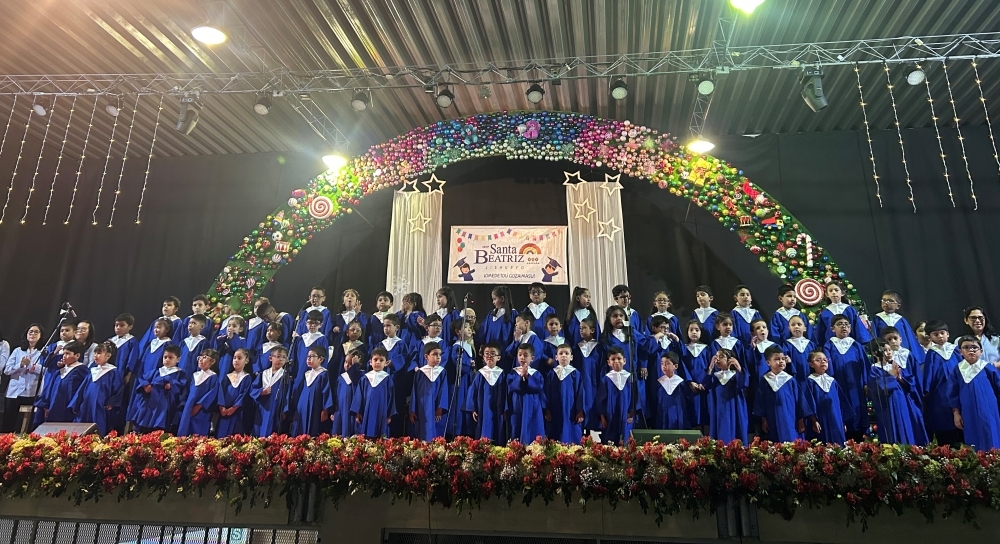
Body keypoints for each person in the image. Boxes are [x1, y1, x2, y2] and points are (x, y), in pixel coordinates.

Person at [867, 340, 928, 446]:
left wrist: (900, 378)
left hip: (904, 403)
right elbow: (877, 389)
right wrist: (891, 376)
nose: (889, 352)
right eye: (885, 350)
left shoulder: (896, 365)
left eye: (890, 350)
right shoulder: (874, 369)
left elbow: (910, 384)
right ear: (874, 353)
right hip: (889, 406)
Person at [947, 336, 1000, 452]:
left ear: (981, 351)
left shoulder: (988, 368)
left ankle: (994, 464)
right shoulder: (957, 370)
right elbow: (953, 394)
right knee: (972, 437)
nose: (971, 350)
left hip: (989, 410)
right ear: (960, 351)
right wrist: (956, 413)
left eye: (974, 347)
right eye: (966, 347)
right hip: (968, 412)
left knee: (991, 435)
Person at [822, 314, 869, 441]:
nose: (844, 326)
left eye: (846, 324)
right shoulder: (829, 346)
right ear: (833, 329)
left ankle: (860, 438)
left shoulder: (856, 345)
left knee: (858, 408)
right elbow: (827, 367)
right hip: (839, 384)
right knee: (842, 408)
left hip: (856, 384)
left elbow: (864, 365)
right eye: (840, 324)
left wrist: (865, 383)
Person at [752, 346, 807, 442]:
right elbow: (760, 402)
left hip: (790, 417)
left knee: (791, 439)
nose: (781, 361)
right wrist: (763, 419)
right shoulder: (765, 381)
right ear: (768, 362)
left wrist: (801, 420)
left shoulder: (790, 380)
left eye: (783, 359)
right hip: (771, 417)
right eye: (777, 359)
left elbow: (799, 401)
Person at [125, 318, 173, 425]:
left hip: (154, 381)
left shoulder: (168, 345)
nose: (156, 330)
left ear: (167, 329)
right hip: (143, 379)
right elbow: (142, 361)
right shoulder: (151, 343)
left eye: (159, 327)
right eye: (155, 327)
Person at [922, 320, 962, 446]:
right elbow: (929, 376)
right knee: (944, 423)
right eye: (936, 334)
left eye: (942, 333)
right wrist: (926, 391)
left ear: (948, 334)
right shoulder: (932, 353)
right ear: (930, 337)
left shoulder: (955, 350)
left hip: (959, 389)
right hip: (940, 394)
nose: (940, 336)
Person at [69, 341, 123, 436]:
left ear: (108, 356)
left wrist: (111, 402)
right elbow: (82, 389)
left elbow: (118, 389)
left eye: (99, 353)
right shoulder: (92, 371)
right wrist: (76, 403)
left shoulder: (113, 372)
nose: (95, 356)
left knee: (97, 428)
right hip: (86, 405)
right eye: (95, 353)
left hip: (100, 406)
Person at [800, 350, 852, 445]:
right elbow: (808, 403)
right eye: (818, 360)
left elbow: (841, 402)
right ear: (811, 364)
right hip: (820, 419)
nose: (823, 362)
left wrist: (843, 421)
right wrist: (813, 420)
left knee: (839, 444)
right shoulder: (810, 382)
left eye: (825, 360)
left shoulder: (832, 381)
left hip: (836, 419)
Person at [133, 345, 188, 433]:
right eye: (165, 357)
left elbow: (181, 387)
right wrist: (145, 385)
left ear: (178, 359)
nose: (167, 360)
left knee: (159, 427)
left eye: (171, 357)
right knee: (143, 425)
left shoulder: (180, 374)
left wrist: (172, 385)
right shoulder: (156, 371)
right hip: (150, 403)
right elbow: (143, 378)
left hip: (165, 403)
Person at [3, 324, 44, 433]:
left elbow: (44, 370)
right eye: (30, 332)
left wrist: (30, 365)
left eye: (36, 332)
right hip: (14, 391)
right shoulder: (18, 351)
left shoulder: (43, 352)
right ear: (26, 335)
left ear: (40, 335)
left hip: (31, 391)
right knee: (8, 421)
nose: (33, 334)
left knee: (27, 423)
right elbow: (7, 370)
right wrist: (20, 365)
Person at [701, 348, 748, 443]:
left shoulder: (735, 375)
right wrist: (710, 367)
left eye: (721, 357)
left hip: (734, 408)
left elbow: (744, 384)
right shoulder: (715, 376)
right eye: (716, 357)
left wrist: (739, 367)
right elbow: (704, 384)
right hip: (718, 409)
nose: (717, 359)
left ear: (730, 360)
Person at [35, 340, 89, 424]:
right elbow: (49, 389)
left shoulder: (82, 371)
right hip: (54, 406)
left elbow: (82, 391)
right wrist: (46, 405)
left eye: (67, 354)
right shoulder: (59, 371)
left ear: (77, 355)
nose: (64, 356)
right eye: (63, 354)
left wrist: (75, 405)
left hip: (69, 408)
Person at [380, 313, 414, 437]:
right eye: (384, 326)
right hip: (382, 381)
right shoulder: (381, 344)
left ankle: (395, 437)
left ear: (397, 328)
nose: (386, 328)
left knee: (396, 408)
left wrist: (393, 363)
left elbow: (404, 359)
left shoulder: (401, 344)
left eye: (389, 325)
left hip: (396, 382)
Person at [290, 346, 335, 437]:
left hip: (315, 406)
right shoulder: (307, 374)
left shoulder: (323, 374)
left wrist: (325, 409)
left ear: (321, 359)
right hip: (302, 406)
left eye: (312, 356)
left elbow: (326, 392)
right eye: (307, 357)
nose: (308, 359)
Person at [466, 342, 506, 442]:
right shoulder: (480, 374)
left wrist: (506, 409)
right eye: (486, 354)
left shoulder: (501, 374)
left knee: (498, 428)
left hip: (498, 407)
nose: (489, 356)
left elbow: (506, 393)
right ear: (483, 357)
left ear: (498, 358)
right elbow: (473, 391)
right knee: (484, 426)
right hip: (483, 406)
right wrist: (473, 408)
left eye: (493, 353)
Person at [351, 347, 395, 439]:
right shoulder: (365, 378)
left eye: (381, 360)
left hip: (382, 412)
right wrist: (358, 412)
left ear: (386, 363)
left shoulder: (387, 379)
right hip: (366, 411)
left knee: (381, 436)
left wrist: (389, 414)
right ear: (370, 362)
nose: (378, 362)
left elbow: (391, 397)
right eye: (375, 360)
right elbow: (359, 396)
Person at [651, 352, 702, 430]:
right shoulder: (659, 383)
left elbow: (688, 402)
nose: (664, 366)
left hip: (679, 415)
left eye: (667, 363)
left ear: (676, 366)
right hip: (662, 415)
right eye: (662, 363)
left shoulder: (681, 383)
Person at [506, 343, 546, 444]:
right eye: (520, 355)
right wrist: (521, 378)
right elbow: (512, 386)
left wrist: (528, 377)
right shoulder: (513, 372)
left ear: (532, 358)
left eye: (525, 355)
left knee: (534, 428)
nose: (522, 357)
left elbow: (539, 387)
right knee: (516, 428)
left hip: (533, 405)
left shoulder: (536, 373)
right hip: (517, 405)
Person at [544, 344, 584, 443]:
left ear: (571, 357)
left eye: (567, 353)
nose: (564, 356)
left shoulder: (575, 373)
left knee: (571, 434)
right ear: (556, 357)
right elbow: (546, 394)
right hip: (555, 409)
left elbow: (580, 393)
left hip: (571, 410)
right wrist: (547, 410)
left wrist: (580, 410)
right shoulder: (551, 374)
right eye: (561, 353)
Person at [409, 342, 449, 440]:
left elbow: (444, 391)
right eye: (435, 354)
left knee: (436, 431)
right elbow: (414, 392)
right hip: (422, 407)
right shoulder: (420, 372)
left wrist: (440, 408)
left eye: (440, 354)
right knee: (422, 430)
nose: (438, 357)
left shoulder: (442, 372)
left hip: (436, 408)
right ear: (426, 356)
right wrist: (412, 410)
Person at [595, 347, 635, 445]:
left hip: (626, 414)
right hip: (610, 415)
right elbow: (601, 400)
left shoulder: (630, 378)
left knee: (625, 437)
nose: (616, 361)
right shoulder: (606, 379)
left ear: (624, 361)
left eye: (619, 359)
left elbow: (635, 397)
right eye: (613, 359)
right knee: (610, 438)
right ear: (608, 362)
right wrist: (602, 416)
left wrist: (631, 412)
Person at [250, 346, 292, 437]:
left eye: (284, 357)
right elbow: (253, 389)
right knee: (258, 430)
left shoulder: (285, 376)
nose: (281, 359)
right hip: (262, 406)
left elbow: (287, 394)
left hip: (276, 408)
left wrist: (284, 410)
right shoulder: (263, 374)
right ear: (270, 358)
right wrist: (261, 392)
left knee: (272, 430)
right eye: (278, 356)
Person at [177, 350, 219, 437]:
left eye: (204, 357)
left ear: (213, 361)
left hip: (201, 411)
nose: (200, 359)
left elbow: (211, 394)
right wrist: (184, 403)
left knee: (197, 433)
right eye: (200, 357)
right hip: (188, 408)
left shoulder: (213, 377)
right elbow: (187, 391)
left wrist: (199, 406)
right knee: (184, 431)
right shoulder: (195, 375)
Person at [445, 320, 475, 437]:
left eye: (469, 327)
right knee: (458, 407)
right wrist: (469, 364)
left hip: (467, 380)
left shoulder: (468, 346)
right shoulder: (457, 347)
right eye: (465, 327)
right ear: (458, 331)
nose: (469, 329)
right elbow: (458, 364)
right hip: (459, 382)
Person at [872, 291, 922, 361]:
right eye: (884, 300)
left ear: (898, 306)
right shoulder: (877, 319)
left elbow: (909, 337)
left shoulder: (901, 320)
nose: (886, 302)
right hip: (885, 353)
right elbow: (874, 335)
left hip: (901, 353)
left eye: (890, 301)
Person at [680, 320, 711, 433]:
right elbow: (683, 366)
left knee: (705, 412)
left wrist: (705, 383)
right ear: (687, 332)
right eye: (691, 330)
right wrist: (690, 382)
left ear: (701, 332)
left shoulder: (707, 348)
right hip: (691, 386)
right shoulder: (684, 348)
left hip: (704, 386)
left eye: (697, 330)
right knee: (692, 411)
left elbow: (710, 367)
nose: (694, 332)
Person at [572, 318, 601, 432]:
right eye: (580, 328)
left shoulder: (599, 347)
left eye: (584, 328)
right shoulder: (576, 348)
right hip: (581, 382)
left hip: (595, 383)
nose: (581, 330)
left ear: (592, 330)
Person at [216, 347, 252, 438]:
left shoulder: (246, 377)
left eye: (239, 358)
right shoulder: (227, 376)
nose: (236, 360)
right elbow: (221, 393)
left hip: (237, 413)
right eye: (234, 358)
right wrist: (222, 407)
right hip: (224, 412)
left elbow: (243, 395)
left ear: (246, 360)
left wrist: (233, 408)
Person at [478, 286, 518, 366]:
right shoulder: (491, 314)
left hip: (504, 351)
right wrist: (482, 346)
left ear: (502, 299)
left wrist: (511, 350)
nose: (493, 302)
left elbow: (515, 335)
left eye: (495, 299)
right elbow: (483, 331)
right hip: (490, 353)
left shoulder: (513, 314)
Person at [333, 347, 364, 437]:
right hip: (341, 409)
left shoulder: (362, 376)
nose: (347, 365)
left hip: (353, 410)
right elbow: (336, 395)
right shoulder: (341, 377)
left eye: (351, 364)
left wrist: (355, 366)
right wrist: (334, 411)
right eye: (346, 362)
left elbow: (354, 377)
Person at [882, 326, 923, 394]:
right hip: (895, 390)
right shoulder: (885, 357)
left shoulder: (908, 354)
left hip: (910, 389)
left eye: (895, 338)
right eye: (889, 339)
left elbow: (916, 373)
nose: (893, 341)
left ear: (900, 339)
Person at [290, 311, 327, 383]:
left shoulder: (322, 339)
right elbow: (293, 356)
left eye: (316, 323)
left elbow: (324, 358)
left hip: (314, 372)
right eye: (310, 323)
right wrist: (291, 371)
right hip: (299, 371)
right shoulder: (301, 339)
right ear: (306, 323)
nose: (312, 325)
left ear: (321, 325)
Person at [782, 315, 815, 383]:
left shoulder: (811, 345)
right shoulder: (787, 345)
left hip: (811, 376)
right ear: (789, 328)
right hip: (795, 377)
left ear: (805, 328)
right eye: (793, 325)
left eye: (799, 324)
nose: (796, 326)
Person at [109, 313, 138, 382]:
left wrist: (128, 374)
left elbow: (132, 358)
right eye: (116, 325)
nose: (118, 328)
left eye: (122, 325)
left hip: (121, 372)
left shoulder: (132, 341)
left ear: (130, 327)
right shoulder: (110, 341)